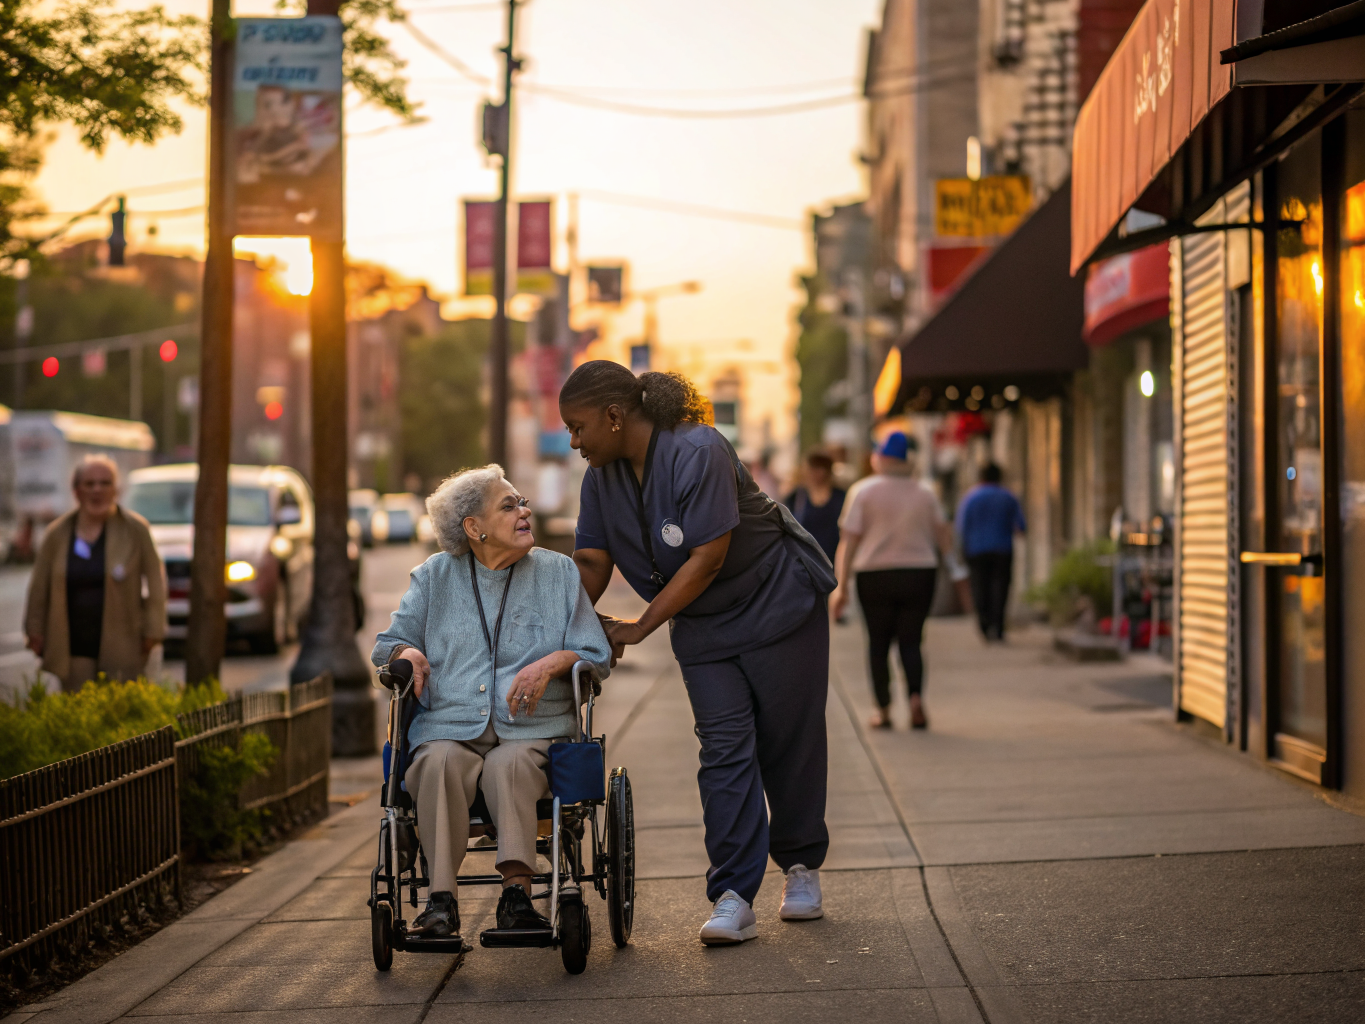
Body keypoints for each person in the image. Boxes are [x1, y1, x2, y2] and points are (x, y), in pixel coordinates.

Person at [559, 362, 836, 947]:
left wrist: (639, 627)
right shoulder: (600, 480)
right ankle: (734, 894)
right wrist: (548, 628)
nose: (574, 441)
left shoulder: (699, 448)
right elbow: (592, 564)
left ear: (614, 417)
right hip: (706, 629)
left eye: (579, 427)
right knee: (723, 749)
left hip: (778, 603)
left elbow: (707, 557)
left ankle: (801, 867)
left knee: (790, 738)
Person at [371, 465, 612, 941]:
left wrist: (553, 662)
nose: (524, 512)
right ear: (473, 528)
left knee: (511, 766)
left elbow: (595, 654)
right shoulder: (435, 576)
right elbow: (386, 645)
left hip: (531, 729)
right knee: (436, 762)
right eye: (509, 506)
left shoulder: (557, 572)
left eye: (522, 502)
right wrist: (408, 652)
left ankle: (517, 896)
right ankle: (440, 903)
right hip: (450, 725)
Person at [831, 432, 951, 730]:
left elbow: (849, 541)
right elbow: (943, 535)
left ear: (880, 458)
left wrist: (841, 585)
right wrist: (956, 570)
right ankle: (915, 699)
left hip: (874, 575)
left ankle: (883, 709)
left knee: (878, 643)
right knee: (912, 641)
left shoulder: (863, 491)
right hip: (920, 572)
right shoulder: (925, 492)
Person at [25, 455, 166, 693]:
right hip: (73, 643)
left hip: (123, 642)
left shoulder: (136, 530)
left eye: (104, 483)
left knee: (120, 711)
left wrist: (153, 630)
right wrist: (34, 629)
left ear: (116, 490)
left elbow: (156, 584)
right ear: (76, 491)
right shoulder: (57, 534)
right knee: (79, 708)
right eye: (89, 484)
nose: (97, 490)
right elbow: (39, 587)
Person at [956, 463, 1026, 642]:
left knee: (980, 587)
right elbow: (1021, 526)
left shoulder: (971, 498)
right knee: (1000, 588)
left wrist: (961, 550)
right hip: (1002, 549)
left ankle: (984, 626)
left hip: (976, 550)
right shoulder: (1008, 497)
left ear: (981, 477)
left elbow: (961, 527)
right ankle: (999, 627)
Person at [782, 450, 846, 563]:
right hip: (805, 561)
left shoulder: (841, 497)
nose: (818, 473)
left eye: (822, 468)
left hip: (835, 559)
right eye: (813, 468)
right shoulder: (796, 497)